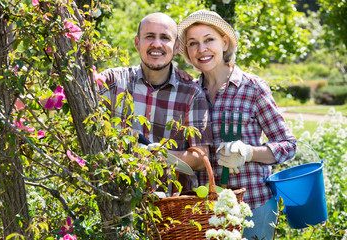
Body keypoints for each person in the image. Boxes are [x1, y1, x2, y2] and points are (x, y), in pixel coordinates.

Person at [177, 10, 297, 240]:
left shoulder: (252, 88)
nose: (202, 49)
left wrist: (249, 152)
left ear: (224, 42)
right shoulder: (189, 92)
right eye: (193, 43)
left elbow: (289, 146)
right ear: (188, 52)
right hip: (207, 212)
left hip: (254, 206)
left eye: (209, 39)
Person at [98, 12, 212, 190]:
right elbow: (71, 92)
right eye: (149, 36)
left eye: (165, 38)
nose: (156, 44)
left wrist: (159, 155)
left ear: (176, 47)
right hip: (117, 199)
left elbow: (201, 159)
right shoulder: (114, 81)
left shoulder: (191, 94)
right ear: (137, 43)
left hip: (171, 205)